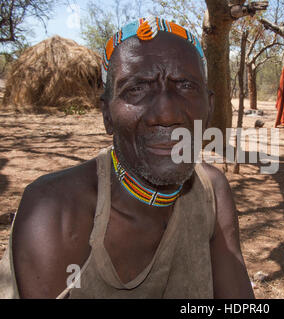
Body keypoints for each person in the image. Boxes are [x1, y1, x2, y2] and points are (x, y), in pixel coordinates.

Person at [0, 16, 254, 299]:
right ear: (107, 115)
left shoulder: (213, 192)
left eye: (184, 85)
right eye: (137, 88)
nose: (166, 114)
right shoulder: (55, 212)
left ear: (209, 108)